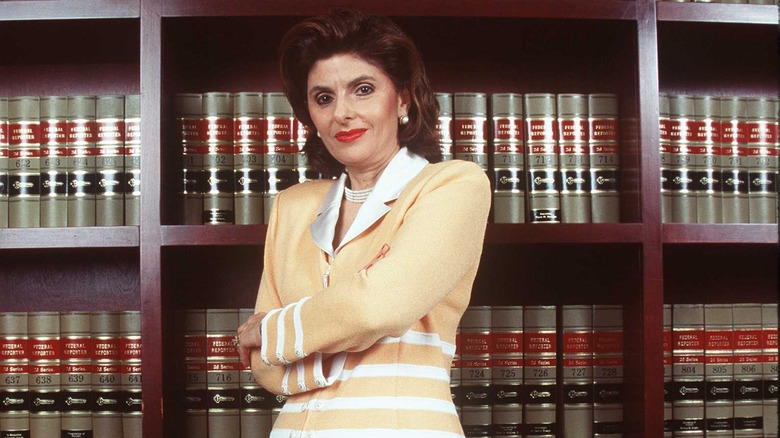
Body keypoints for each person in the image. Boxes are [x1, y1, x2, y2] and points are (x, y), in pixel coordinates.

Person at [235, 8, 490, 438]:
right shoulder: (293, 207)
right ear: (310, 115)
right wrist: (341, 331)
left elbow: (378, 307)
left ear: (403, 98)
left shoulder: (453, 185)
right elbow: (262, 363)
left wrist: (281, 331)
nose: (342, 114)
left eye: (363, 89)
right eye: (323, 98)